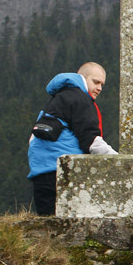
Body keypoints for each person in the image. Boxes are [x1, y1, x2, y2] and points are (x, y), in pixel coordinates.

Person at [27, 62, 118, 215]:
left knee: (48, 227)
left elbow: (33, 138)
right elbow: (91, 140)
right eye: (96, 82)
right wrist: (118, 160)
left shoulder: (57, 98)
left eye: (102, 84)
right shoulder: (80, 99)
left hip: (40, 172)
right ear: (82, 78)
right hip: (63, 172)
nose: (100, 88)